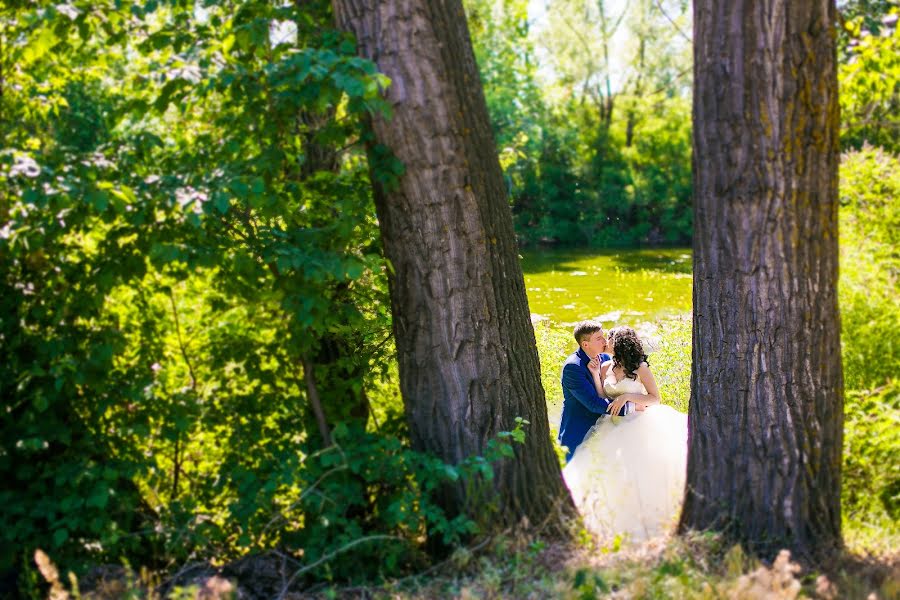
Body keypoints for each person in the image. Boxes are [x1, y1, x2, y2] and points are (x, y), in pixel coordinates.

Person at [563, 326, 688, 542]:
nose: (604, 342)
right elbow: (601, 396)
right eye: (600, 338)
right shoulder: (603, 366)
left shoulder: (639, 368)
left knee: (643, 469)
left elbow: (655, 398)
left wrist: (628, 397)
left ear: (618, 343)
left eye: (607, 338)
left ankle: (651, 516)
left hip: (640, 423)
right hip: (613, 424)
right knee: (612, 471)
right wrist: (594, 374)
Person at [558, 320, 628, 462]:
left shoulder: (605, 358)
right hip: (579, 430)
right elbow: (594, 404)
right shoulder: (573, 367)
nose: (605, 341)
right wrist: (630, 407)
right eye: (599, 338)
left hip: (605, 428)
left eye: (603, 336)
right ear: (585, 344)